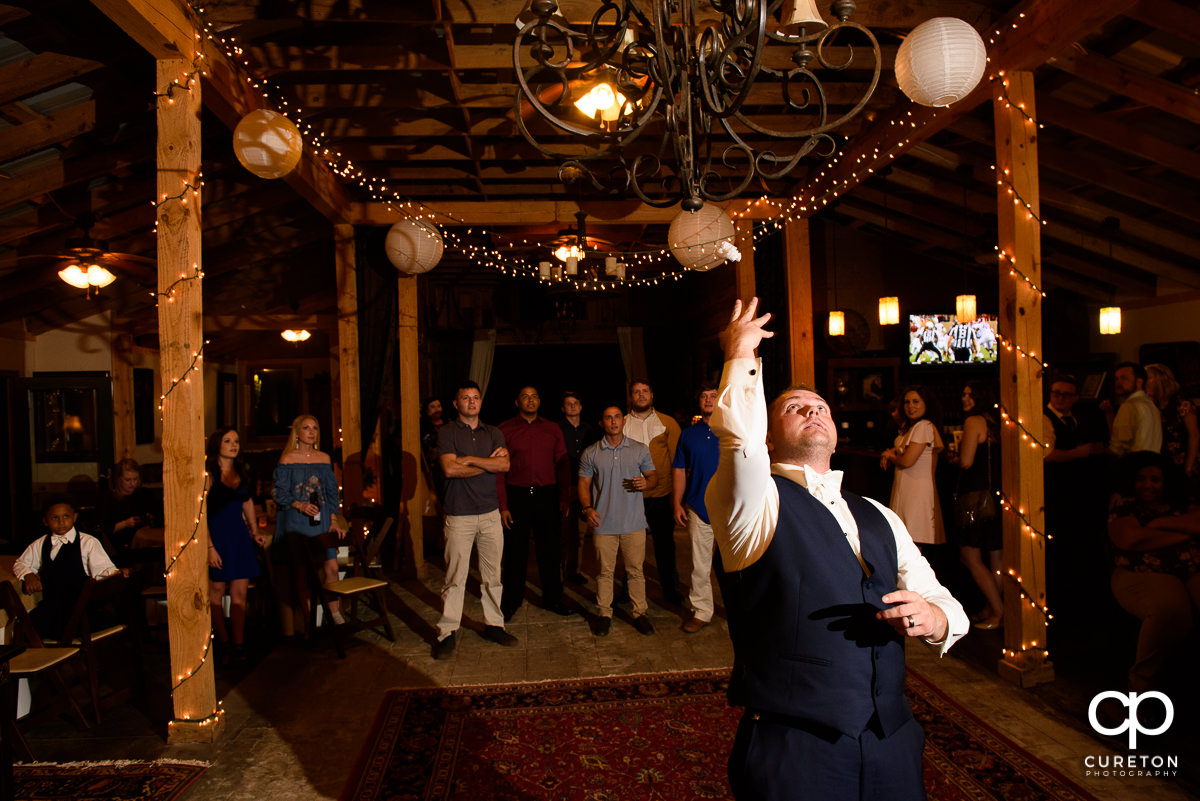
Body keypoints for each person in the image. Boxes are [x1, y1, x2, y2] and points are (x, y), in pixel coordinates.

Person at [706, 298, 968, 801]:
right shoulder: (751, 502)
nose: (813, 411)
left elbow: (942, 600)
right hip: (795, 745)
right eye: (795, 407)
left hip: (892, 738)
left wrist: (934, 619)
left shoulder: (879, 514)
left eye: (821, 407)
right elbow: (738, 440)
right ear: (768, 430)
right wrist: (740, 354)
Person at [433, 380, 517, 658]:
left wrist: (467, 459)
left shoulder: (493, 432)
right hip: (459, 515)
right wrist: (485, 463)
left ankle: (494, 624)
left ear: (481, 402)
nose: (472, 402)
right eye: (466, 398)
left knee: (493, 577)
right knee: (455, 578)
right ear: (456, 404)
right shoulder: (446, 432)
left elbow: (504, 465)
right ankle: (447, 632)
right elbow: (449, 470)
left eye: (476, 397)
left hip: (490, 513)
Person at [1107, 451, 1200, 692]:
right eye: (1141, 479)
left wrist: (1157, 525)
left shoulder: (1184, 503)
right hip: (1142, 573)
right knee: (1171, 612)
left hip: (1191, 569)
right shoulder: (1125, 506)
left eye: (1155, 480)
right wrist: (1186, 533)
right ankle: (1141, 686)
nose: (1147, 485)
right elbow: (1131, 540)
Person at [579, 404, 658, 637]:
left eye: (616, 417)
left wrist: (647, 483)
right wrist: (587, 508)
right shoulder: (591, 452)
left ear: (623, 422)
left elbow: (653, 476)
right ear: (602, 423)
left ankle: (639, 613)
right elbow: (583, 483)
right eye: (608, 418)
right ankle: (604, 613)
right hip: (604, 523)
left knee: (635, 571)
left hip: (634, 523)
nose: (613, 422)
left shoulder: (639, 449)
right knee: (604, 572)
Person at [497, 385, 574, 620]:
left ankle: (553, 599)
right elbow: (499, 471)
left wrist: (564, 498)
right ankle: (511, 601)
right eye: (525, 397)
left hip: (546, 495)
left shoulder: (552, 429)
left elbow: (562, 464)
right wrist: (503, 506)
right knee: (514, 552)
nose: (530, 400)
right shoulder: (504, 430)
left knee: (549, 551)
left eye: (534, 397)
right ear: (517, 402)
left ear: (539, 402)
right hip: (517, 495)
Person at [272, 414, 347, 635]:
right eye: (306, 428)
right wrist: (299, 505)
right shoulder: (287, 459)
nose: (311, 432)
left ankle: (334, 615)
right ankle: (310, 621)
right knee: (302, 572)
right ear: (297, 432)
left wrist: (333, 519)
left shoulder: (324, 458)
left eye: (315, 428)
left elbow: (332, 492)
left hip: (322, 519)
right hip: (297, 521)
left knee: (331, 567)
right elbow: (278, 492)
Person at [14, 496, 120, 640]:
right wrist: (28, 575)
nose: (61, 522)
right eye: (54, 518)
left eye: (66, 516)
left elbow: (104, 571)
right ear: (45, 521)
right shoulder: (40, 544)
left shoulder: (88, 543)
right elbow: (20, 563)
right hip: (53, 608)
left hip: (81, 610)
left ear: (74, 517)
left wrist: (117, 574)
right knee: (24, 627)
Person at [206, 427, 268, 664]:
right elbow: (200, 513)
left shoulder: (241, 472)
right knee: (217, 592)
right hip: (217, 538)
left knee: (240, 593)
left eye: (236, 441)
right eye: (228, 441)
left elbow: (247, 502)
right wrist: (209, 547)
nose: (234, 445)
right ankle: (223, 643)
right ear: (217, 445)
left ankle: (239, 643)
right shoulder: (208, 474)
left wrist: (254, 531)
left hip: (239, 537)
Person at [947, 382, 1003, 630]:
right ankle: (994, 607)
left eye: (970, 394)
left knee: (970, 556)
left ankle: (999, 612)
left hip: (974, 499)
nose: (965, 398)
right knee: (995, 558)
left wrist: (953, 458)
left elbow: (967, 462)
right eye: (964, 393)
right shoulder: (995, 421)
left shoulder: (973, 422)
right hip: (995, 497)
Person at [623, 379, 683, 604]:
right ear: (631, 397)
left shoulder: (667, 423)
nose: (640, 395)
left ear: (652, 395)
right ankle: (627, 590)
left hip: (660, 495)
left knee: (665, 546)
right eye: (636, 392)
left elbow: (678, 461)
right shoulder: (623, 423)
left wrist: (677, 497)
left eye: (645, 391)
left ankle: (671, 590)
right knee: (630, 546)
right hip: (631, 495)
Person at [672, 381, 720, 633]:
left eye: (714, 395)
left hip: (732, 510)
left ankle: (744, 610)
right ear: (698, 401)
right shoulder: (689, 434)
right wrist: (677, 503)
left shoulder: (734, 430)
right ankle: (701, 612)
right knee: (700, 565)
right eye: (704, 396)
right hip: (698, 507)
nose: (709, 399)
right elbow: (679, 469)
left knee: (737, 566)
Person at [881, 386, 946, 547]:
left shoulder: (923, 426)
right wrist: (891, 451)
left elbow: (907, 461)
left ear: (926, 404)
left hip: (916, 491)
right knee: (906, 546)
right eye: (907, 402)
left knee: (911, 548)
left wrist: (890, 456)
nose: (910, 406)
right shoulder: (913, 428)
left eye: (916, 401)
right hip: (906, 489)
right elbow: (903, 448)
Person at [559, 391, 599, 584]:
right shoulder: (557, 430)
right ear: (563, 408)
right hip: (565, 486)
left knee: (581, 534)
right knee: (563, 532)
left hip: (585, 486)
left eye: (576, 403)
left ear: (581, 407)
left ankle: (575, 571)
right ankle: (561, 571)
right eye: (569, 403)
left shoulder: (589, 431)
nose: (573, 406)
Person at [96, 458, 163, 563]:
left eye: (135, 479)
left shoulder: (143, 495)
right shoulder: (108, 499)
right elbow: (104, 530)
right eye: (128, 480)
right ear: (118, 479)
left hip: (144, 546)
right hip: (119, 547)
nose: (132, 484)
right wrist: (125, 523)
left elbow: (159, 513)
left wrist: (151, 519)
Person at [1145, 364, 1199, 489]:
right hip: (1163, 462)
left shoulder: (1181, 401)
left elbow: (1194, 435)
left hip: (1185, 459)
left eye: (1148, 378)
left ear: (1160, 380)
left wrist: (1189, 466)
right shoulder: (1153, 405)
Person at [1107, 361, 1162, 456]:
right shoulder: (1151, 405)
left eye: (1124, 378)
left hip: (1133, 466)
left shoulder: (1129, 406)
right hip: (1151, 465)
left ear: (1139, 382)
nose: (1118, 383)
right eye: (1116, 379)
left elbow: (1118, 448)